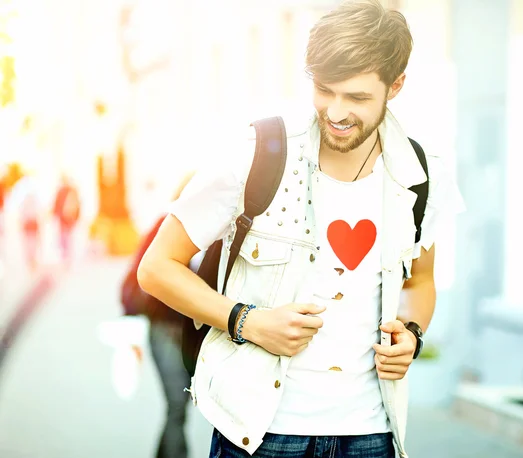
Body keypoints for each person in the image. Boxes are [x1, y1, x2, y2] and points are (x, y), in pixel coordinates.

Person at [138, 1, 464, 457]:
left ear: (396, 85)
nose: (335, 111)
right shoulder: (258, 152)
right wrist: (247, 321)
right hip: (260, 433)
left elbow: (421, 281)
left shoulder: (422, 175)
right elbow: (156, 268)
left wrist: (411, 332)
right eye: (325, 90)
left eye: (357, 97)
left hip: (372, 436)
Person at [121, 175, 194, 458]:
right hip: (164, 328)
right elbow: (135, 276)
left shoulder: (217, 233)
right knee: (177, 405)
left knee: (180, 407)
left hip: (194, 334)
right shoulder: (166, 225)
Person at [52, 175, 81, 266]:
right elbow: (78, 204)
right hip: (69, 216)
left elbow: (56, 204)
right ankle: (67, 256)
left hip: (63, 217)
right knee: (67, 236)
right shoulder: (73, 190)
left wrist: (55, 214)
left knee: (64, 236)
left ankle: (65, 255)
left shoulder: (62, 190)